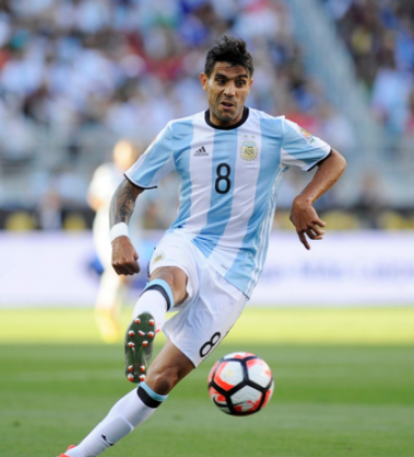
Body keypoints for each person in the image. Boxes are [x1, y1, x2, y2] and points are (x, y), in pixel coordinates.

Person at [58, 36, 346, 457]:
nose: (231, 90)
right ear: (205, 82)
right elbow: (128, 187)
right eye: (222, 80)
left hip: (238, 271)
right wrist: (119, 234)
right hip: (190, 240)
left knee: (161, 381)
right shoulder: (179, 133)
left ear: (250, 85)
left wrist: (304, 200)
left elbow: (333, 159)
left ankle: (80, 450)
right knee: (172, 276)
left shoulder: (274, 130)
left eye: (241, 82)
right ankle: (145, 322)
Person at [87, 139, 141, 342]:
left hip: (133, 230)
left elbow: (151, 204)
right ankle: (105, 309)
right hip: (107, 230)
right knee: (116, 270)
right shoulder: (106, 173)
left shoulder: (140, 174)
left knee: (127, 274)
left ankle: (113, 313)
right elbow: (93, 198)